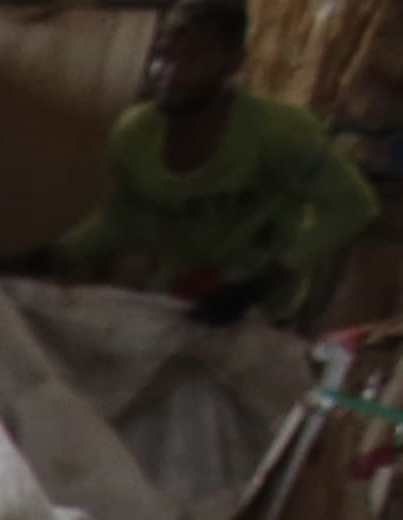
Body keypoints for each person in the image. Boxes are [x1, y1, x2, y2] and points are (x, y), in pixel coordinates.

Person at [56, 0, 380, 326]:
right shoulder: (135, 133)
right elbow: (125, 216)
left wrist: (261, 282)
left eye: (193, 57)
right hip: (179, 302)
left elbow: (351, 205)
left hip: (257, 313)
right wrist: (59, 254)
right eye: (162, 54)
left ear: (232, 63)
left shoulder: (278, 133)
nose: (169, 71)